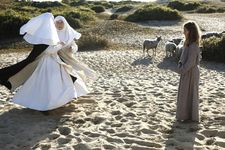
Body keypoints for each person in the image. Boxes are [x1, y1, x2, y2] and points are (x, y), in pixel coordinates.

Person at [54, 16, 97, 97]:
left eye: (61, 22)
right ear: (54, 23)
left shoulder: (69, 34)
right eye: (57, 22)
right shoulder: (52, 33)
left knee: (71, 75)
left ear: (65, 23)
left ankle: (72, 93)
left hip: (68, 58)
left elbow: (74, 46)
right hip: (55, 58)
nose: (59, 24)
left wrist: (72, 48)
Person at [176, 21, 201, 122]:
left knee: (190, 94)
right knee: (185, 94)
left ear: (190, 31)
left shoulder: (194, 45)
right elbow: (184, 58)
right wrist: (180, 65)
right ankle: (185, 115)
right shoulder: (188, 43)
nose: (183, 32)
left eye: (185, 30)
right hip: (186, 72)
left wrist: (182, 69)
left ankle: (190, 117)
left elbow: (191, 61)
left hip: (190, 72)